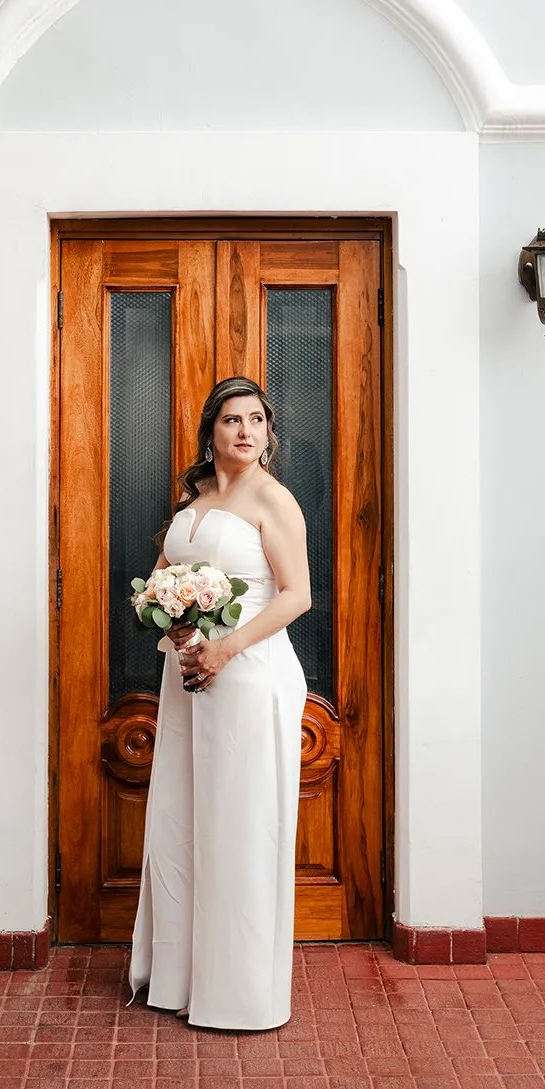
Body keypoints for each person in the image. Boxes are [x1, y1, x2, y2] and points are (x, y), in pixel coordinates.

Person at [127, 377, 311, 1031]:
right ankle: (182, 979)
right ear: (210, 431)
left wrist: (224, 649)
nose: (243, 431)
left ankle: (238, 993)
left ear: (267, 432)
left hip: (248, 674)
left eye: (255, 420)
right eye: (231, 420)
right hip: (187, 677)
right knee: (183, 821)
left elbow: (295, 596)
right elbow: (164, 577)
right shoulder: (196, 496)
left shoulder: (274, 499)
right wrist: (171, 621)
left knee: (240, 826)